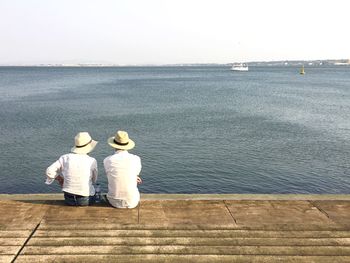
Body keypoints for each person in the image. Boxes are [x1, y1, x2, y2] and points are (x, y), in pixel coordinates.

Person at [45, 132, 98, 206]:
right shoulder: (92, 160)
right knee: (97, 192)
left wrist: (60, 179)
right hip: (86, 200)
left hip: (68, 199)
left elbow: (49, 171)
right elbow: (94, 180)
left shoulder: (65, 157)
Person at [104, 130, 142, 209]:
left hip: (113, 201)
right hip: (132, 202)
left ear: (114, 145)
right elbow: (135, 173)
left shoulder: (107, 160)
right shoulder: (136, 159)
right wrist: (134, 177)